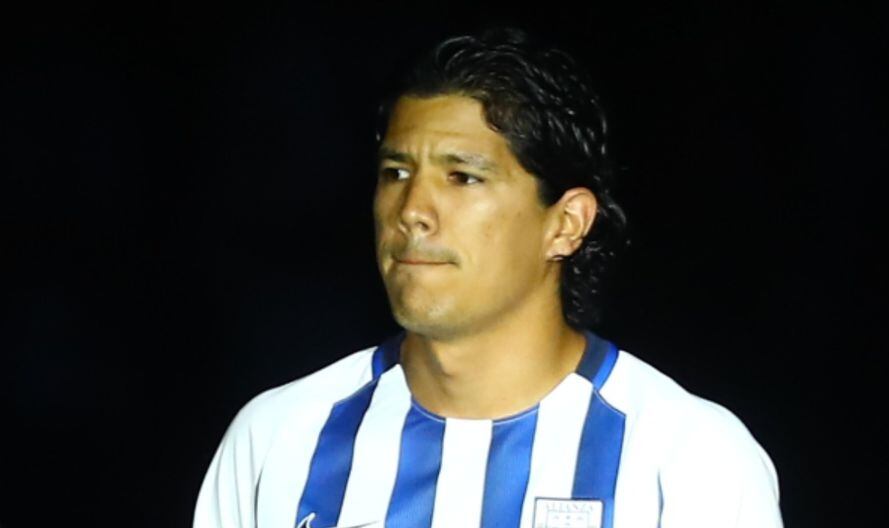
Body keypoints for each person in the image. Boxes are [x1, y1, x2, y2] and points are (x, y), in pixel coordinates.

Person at [194, 27, 783, 528]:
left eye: (463, 177)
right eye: (396, 172)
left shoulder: (689, 460)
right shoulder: (278, 440)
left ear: (566, 224)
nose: (412, 210)